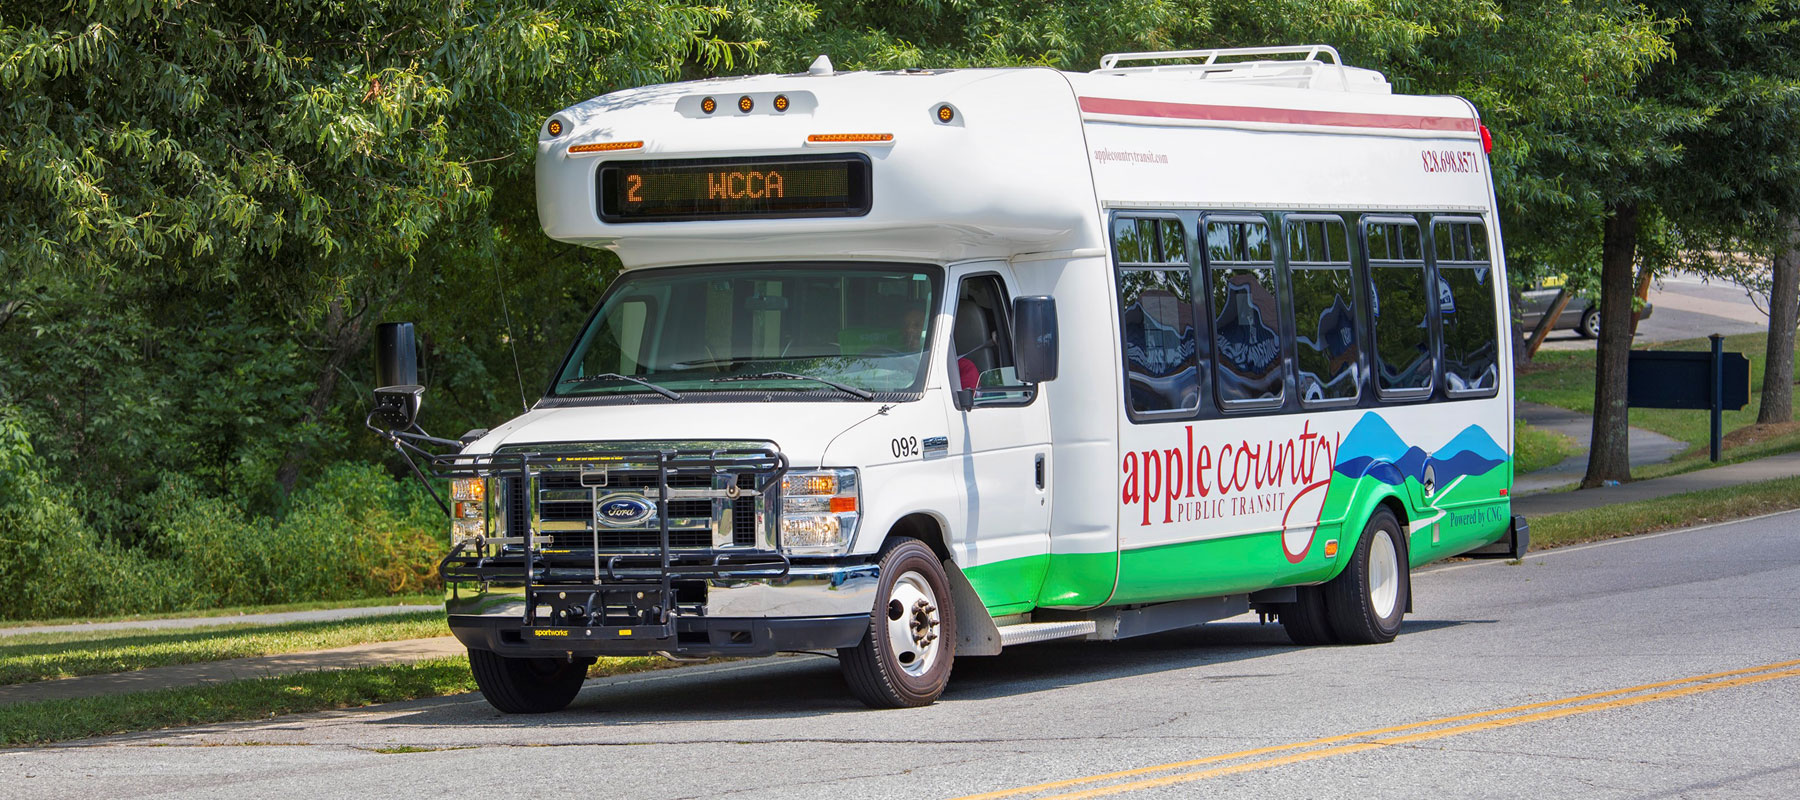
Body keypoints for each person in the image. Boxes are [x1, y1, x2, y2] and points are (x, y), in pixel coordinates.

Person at [901, 307, 979, 390]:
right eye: (906, 326)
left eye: (916, 325)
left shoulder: (963, 368)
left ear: (932, 330)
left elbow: (964, 400)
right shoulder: (895, 361)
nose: (909, 330)